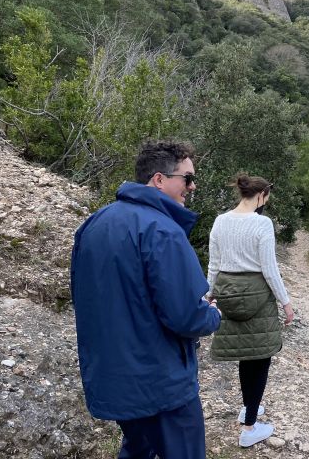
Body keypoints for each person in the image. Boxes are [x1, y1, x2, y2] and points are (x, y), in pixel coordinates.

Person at [71, 140, 221, 459]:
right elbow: (185, 317)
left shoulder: (95, 223)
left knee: (138, 449)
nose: (192, 187)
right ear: (158, 180)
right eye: (187, 178)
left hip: (116, 378)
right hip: (161, 383)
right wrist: (212, 315)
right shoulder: (163, 230)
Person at [206, 173, 294, 449]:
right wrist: (286, 302)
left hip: (228, 292)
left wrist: (207, 295)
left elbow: (214, 265)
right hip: (257, 295)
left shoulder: (221, 221)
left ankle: (249, 408)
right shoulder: (262, 223)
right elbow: (269, 268)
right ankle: (249, 428)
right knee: (260, 359)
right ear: (261, 196)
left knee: (246, 355)